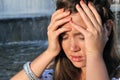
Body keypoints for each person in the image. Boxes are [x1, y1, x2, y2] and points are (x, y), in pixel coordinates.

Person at [11, 0, 120, 80]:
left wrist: (94, 54)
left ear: (107, 28)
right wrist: (50, 52)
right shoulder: (51, 75)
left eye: (82, 36)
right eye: (64, 36)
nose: (73, 47)